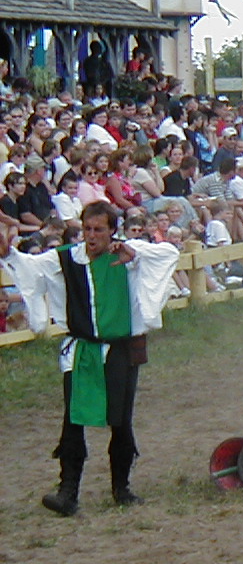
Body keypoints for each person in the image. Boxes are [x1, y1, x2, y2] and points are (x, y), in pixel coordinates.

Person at [0, 201, 180, 516]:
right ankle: (67, 492)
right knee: (73, 419)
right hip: (82, 350)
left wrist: (133, 253)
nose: (91, 236)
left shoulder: (127, 254)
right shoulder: (68, 258)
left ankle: (121, 488)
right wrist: (8, 254)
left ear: (113, 231)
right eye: (87, 229)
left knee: (120, 420)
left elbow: (168, 255)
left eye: (99, 230)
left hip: (120, 349)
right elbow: (31, 267)